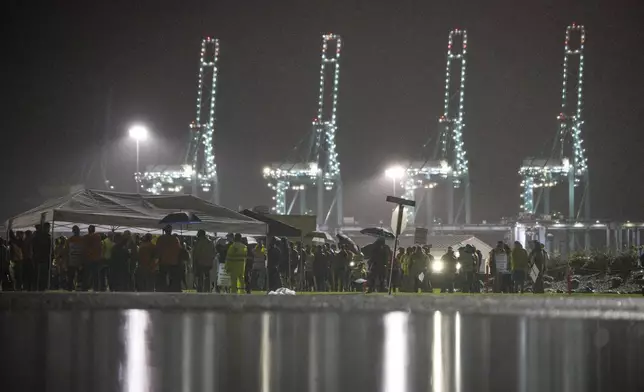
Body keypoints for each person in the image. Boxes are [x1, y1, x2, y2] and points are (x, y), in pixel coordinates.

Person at [156, 225, 182, 292]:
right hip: (173, 262)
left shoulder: (160, 239)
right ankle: (171, 291)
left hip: (163, 262)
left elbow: (158, 250)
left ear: (165, 231)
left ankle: (163, 290)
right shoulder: (175, 239)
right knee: (172, 279)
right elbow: (179, 250)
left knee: (163, 279)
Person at [32, 223, 52, 291]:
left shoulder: (39, 236)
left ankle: (41, 288)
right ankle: (40, 288)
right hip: (41, 258)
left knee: (42, 275)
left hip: (42, 258)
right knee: (41, 275)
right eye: (48, 228)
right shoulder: (42, 237)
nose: (49, 229)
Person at [83, 225, 103, 291]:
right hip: (96, 259)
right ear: (94, 230)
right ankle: (96, 288)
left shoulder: (85, 237)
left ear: (88, 230)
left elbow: (84, 248)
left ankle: (85, 288)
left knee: (87, 275)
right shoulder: (98, 237)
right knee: (96, 275)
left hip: (88, 259)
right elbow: (99, 248)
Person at [64, 226, 84, 291]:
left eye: (77, 230)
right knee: (73, 276)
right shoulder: (70, 240)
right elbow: (66, 252)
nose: (77, 232)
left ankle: (74, 288)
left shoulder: (69, 240)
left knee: (77, 276)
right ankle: (72, 288)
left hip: (76, 261)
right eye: (76, 230)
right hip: (74, 261)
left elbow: (66, 252)